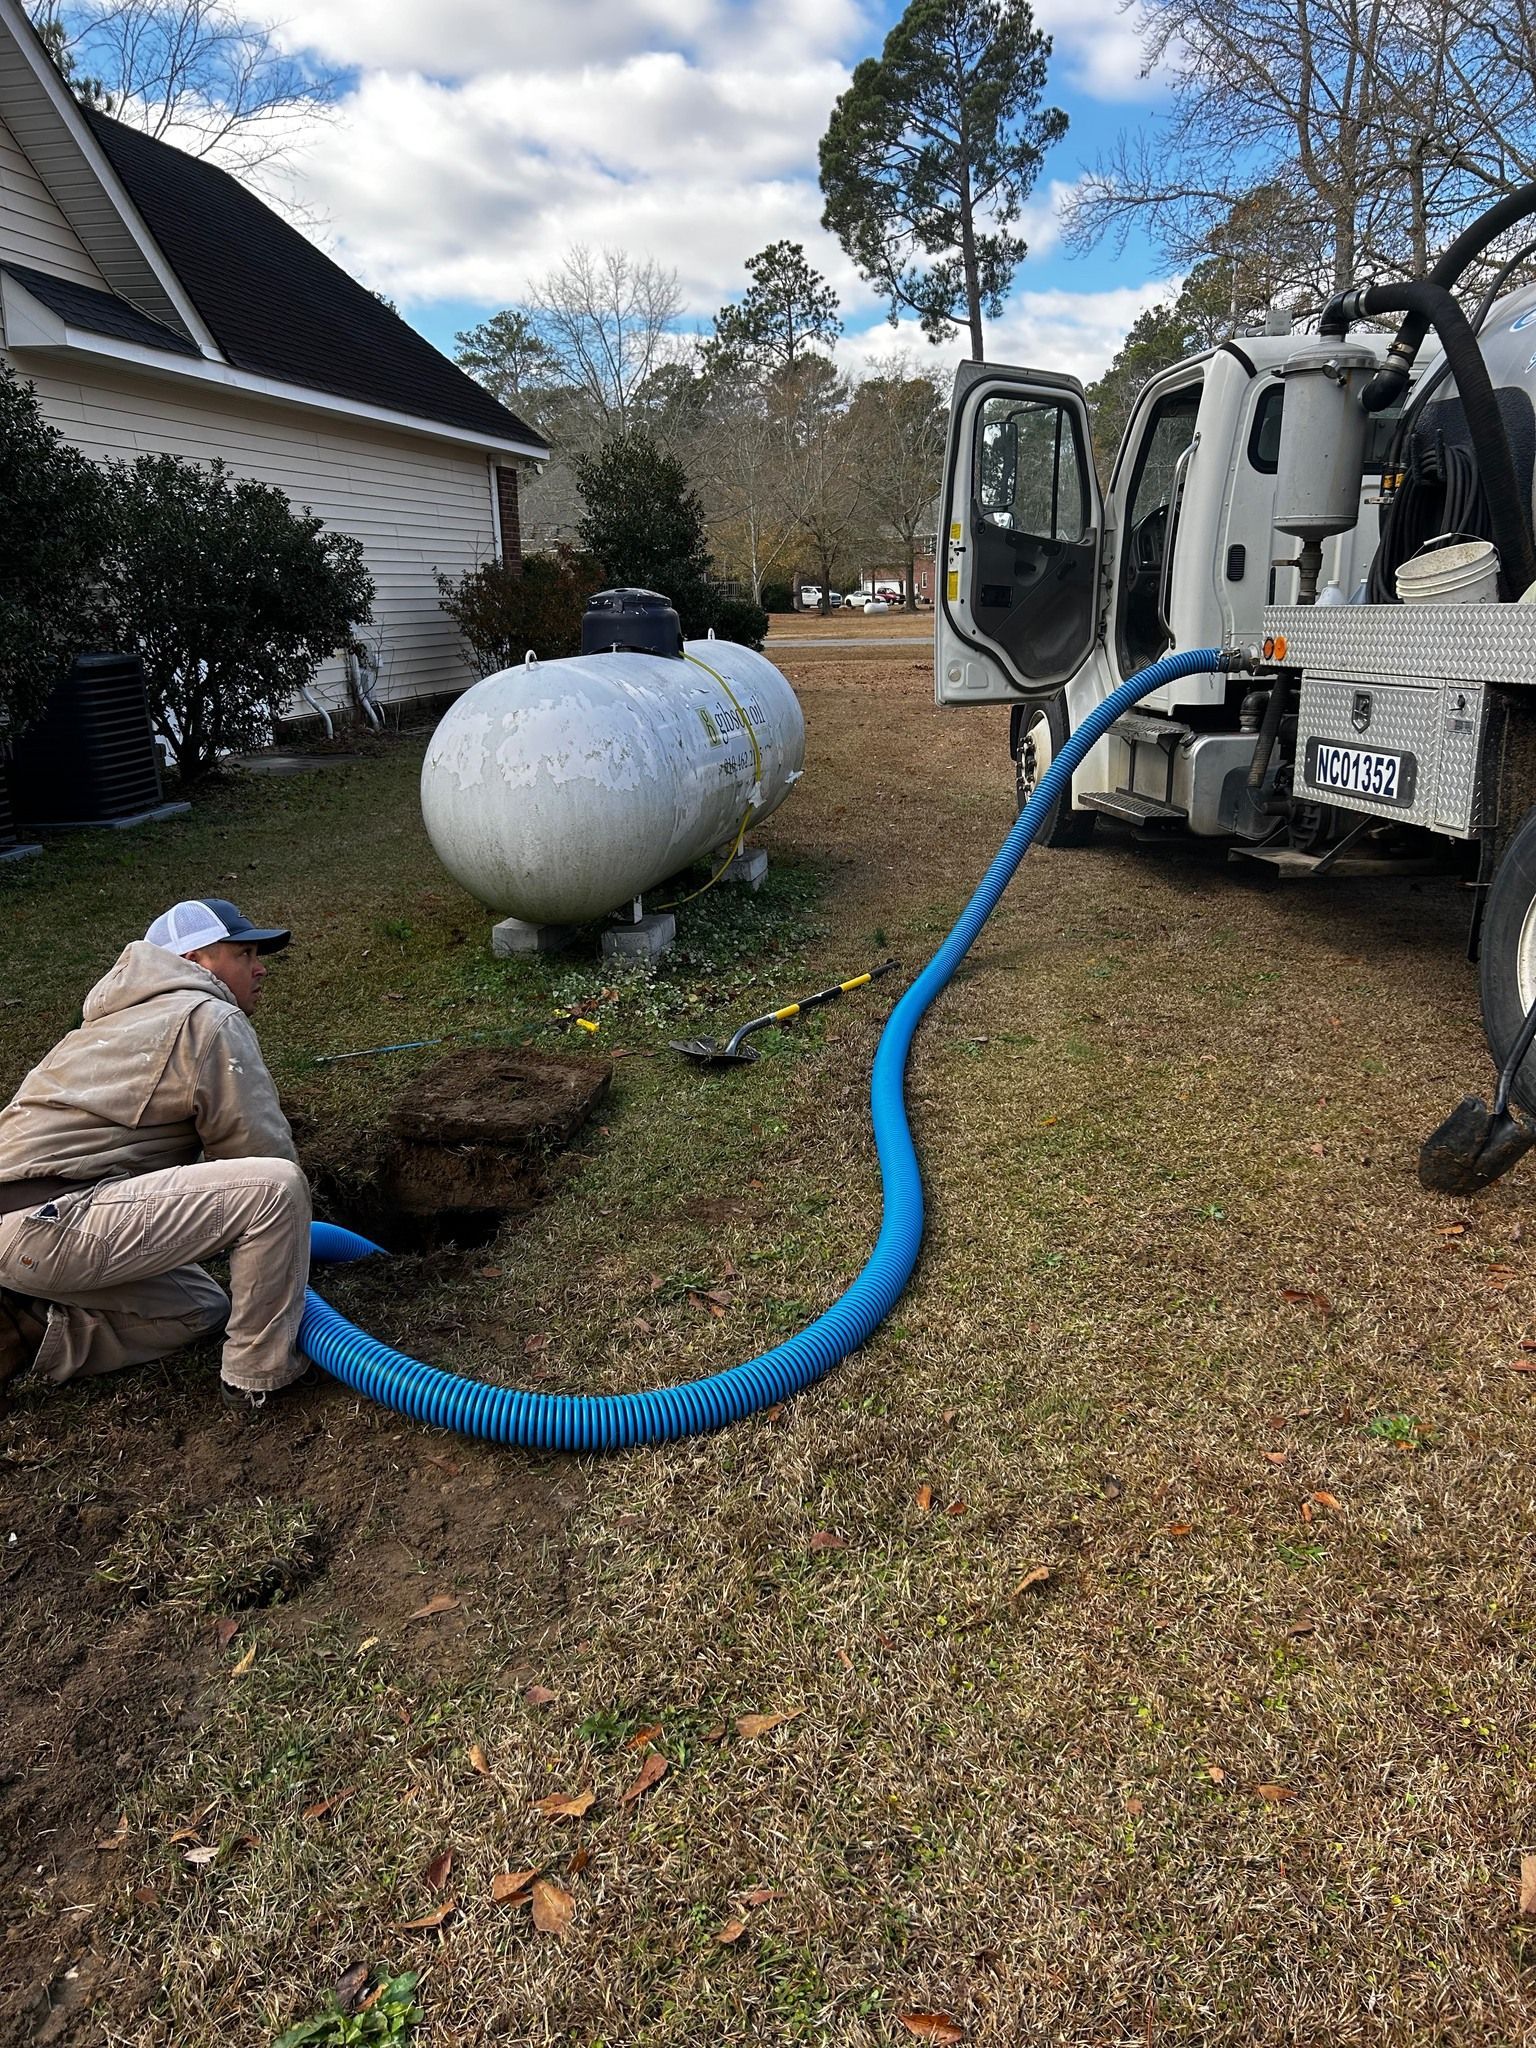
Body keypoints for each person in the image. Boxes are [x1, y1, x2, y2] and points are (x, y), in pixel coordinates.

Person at [0, 899, 311, 1414]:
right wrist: (295, 1246)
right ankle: (256, 1377)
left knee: (200, 1307)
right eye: (246, 953)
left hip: (30, 1226)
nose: (260, 969)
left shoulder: (109, 1022)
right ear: (196, 960)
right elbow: (256, 1152)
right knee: (275, 1189)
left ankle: (20, 1324)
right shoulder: (209, 1016)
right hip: (55, 1219)